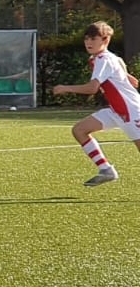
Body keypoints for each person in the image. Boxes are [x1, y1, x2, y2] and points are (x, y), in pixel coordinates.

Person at [52, 21, 140, 186]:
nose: (88, 42)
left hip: (131, 111)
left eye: (93, 38)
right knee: (80, 130)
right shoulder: (104, 58)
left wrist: (65, 88)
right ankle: (106, 170)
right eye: (86, 38)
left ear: (105, 40)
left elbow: (92, 88)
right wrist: (126, 76)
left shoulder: (103, 59)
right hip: (116, 111)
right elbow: (123, 68)